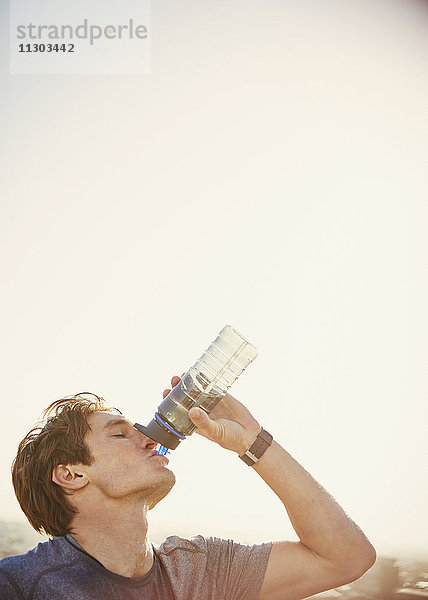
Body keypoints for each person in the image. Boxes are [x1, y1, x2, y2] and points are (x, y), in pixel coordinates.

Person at [0, 376, 376, 599]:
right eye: (119, 433)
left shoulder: (200, 571)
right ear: (72, 475)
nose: (150, 439)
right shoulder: (19, 586)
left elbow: (346, 558)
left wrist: (253, 441)